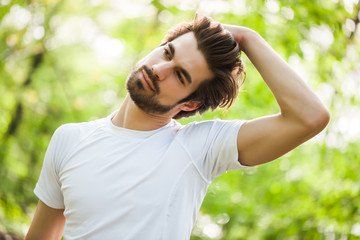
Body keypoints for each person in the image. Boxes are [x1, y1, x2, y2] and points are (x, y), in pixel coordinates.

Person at [25, 15, 330, 240]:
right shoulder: (70, 138)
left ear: (190, 105)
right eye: (167, 52)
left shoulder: (200, 147)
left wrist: (247, 38)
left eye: (180, 76)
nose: (158, 70)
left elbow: (309, 117)